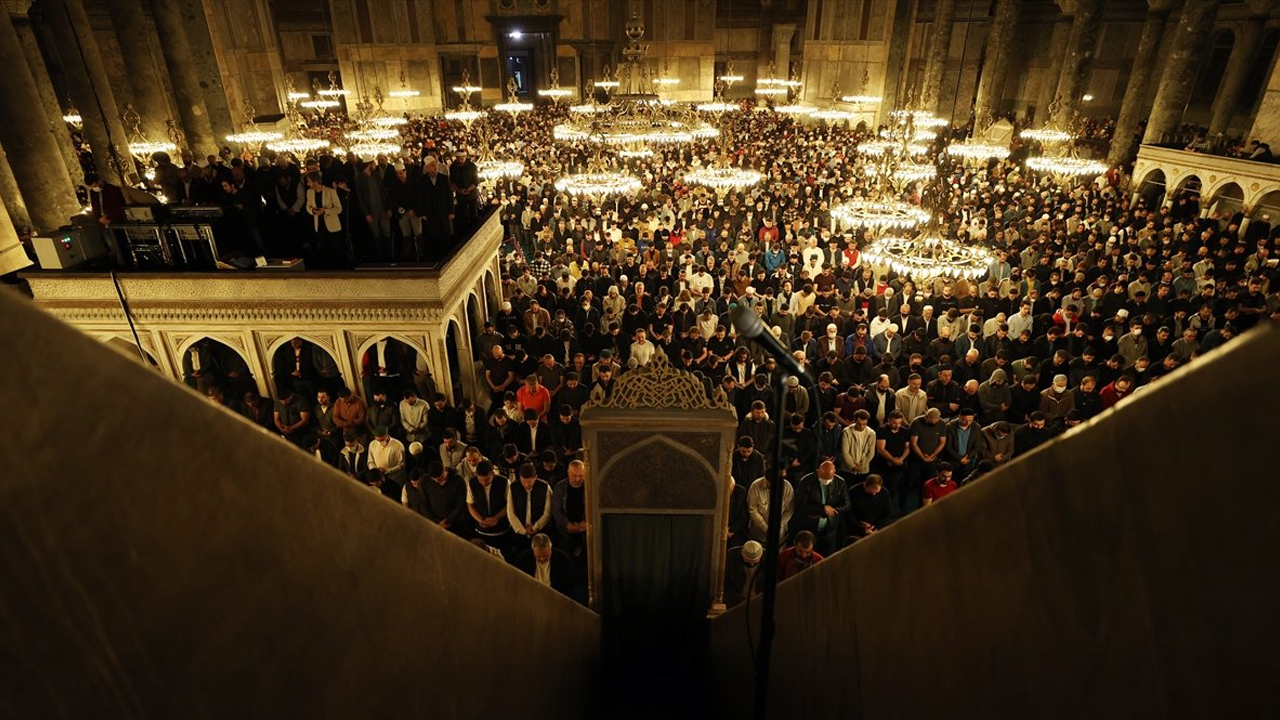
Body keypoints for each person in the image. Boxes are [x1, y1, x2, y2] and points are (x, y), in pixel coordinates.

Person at [793, 461, 850, 555]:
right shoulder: (807, 481)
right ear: (818, 471)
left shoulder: (840, 483)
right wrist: (823, 509)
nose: (826, 481)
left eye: (829, 478)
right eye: (823, 478)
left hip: (829, 529)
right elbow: (800, 506)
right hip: (809, 527)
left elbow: (846, 505)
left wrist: (832, 509)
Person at [466, 460, 511, 555]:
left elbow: (510, 505)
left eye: (487, 480)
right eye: (480, 480)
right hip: (481, 531)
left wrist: (496, 518)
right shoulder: (472, 483)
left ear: (493, 474)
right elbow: (470, 504)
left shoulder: (504, 482)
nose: (483, 483)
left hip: (501, 530)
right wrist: (482, 520)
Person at [507, 462, 553, 545]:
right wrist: (523, 530)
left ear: (535, 477)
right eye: (524, 481)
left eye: (530, 482)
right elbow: (510, 511)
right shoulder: (513, 487)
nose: (527, 484)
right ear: (520, 477)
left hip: (540, 531)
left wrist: (535, 527)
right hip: (519, 532)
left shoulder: (544, 487)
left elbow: (547, 512)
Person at [552, 459, 588, 561]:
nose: (577, 479)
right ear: (568, 473)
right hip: (565, 533)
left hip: (585, 532)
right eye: (574, 475)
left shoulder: (590, 487)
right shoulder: (559, 488)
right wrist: (567, 525)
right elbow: (556, 510)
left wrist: (586, 522)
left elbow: (594, 507)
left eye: (581, 476)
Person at [423, 460, 468, 536]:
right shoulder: (424, 481)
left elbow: (461, 504)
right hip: (435, 524)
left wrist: (447, 521)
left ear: (445, 470)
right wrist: (436, 522)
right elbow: (423, 503)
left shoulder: (458, 480)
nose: (437, 481)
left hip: (455, 523)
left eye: (440, 478)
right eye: (434, 479)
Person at [747, 474, 795, 544]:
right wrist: (765, 528)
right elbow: (752, 509)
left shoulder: (787, 487)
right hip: (757, 534)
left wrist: (778, 526)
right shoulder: (755, 486)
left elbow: (789, 510)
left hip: (779, 535)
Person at [848, 474, 894, 539]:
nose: (874, 494)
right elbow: (849, 513)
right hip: (857, 529)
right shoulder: (853, 491)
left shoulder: (884, 493)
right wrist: (861, 528)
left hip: (877, 529)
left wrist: (875, 527)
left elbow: (888, 513)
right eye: (871, 491)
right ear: (866, 485)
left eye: (877, 492)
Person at [723, 540, 764, 607]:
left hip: (759, 600)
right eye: (748, 560)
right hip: (736, 600)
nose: (751, 564)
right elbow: (727, 582)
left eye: (755, 561)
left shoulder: (768, 559)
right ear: (741, 553)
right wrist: (737, 599)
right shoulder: (733, 556)